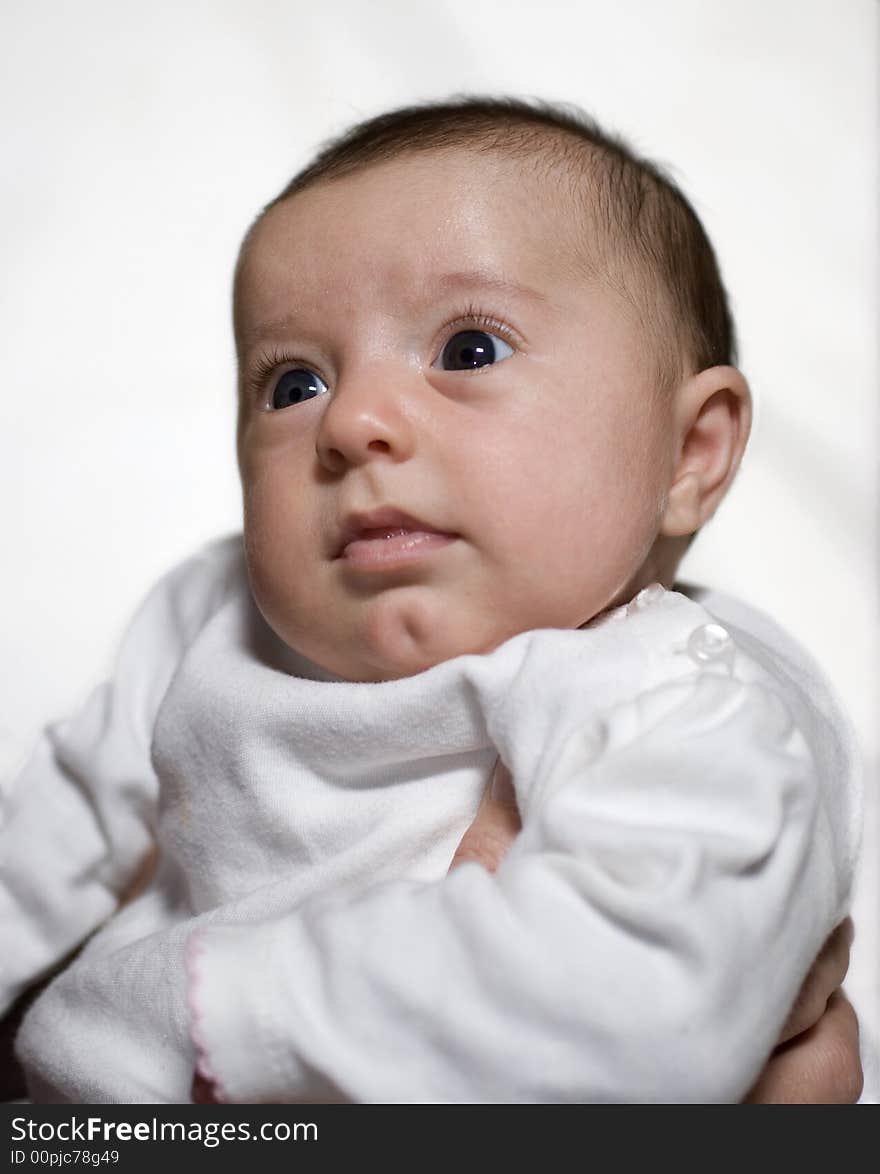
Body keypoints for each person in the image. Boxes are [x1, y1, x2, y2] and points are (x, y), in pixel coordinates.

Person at [0, 96, 869, 1104]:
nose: (353, 420)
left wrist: (225, 1012)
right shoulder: (207, 613)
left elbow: (626, 1002)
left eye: (467, 350)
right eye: (293, 384)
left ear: (689, 453)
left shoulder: (686, 698)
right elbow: (43, 845)